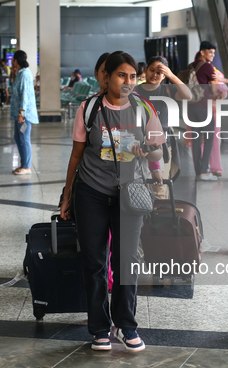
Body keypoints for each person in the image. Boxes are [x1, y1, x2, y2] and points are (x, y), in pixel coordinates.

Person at [59, 51, 165, 352]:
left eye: (133, 76)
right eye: (122, 75)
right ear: (107, 77)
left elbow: (159, 152)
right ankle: (99, 328)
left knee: (127, 261)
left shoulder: (144, 108)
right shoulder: (89, 108)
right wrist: (67, 197)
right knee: (95, 264)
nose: (128, 81)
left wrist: (148, 150)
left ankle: (126, 325)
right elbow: (76, 156)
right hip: (91, 193)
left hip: (129, 195)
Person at [135, 56, 191, 198]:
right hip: (138, 143)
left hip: (162, 145)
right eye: (151, 70)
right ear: (146, 70)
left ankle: (159, 217)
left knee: (159, 187)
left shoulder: (168, 89)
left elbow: (188, 95)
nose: (154, 75)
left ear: (164, 75)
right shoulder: (135, 91)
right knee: (138, 187)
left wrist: (171, 75)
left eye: (159, 73)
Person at [188, 41, 221, 181]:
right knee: (208, 139)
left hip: (190, 107)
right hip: (204, 107)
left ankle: (198, 172)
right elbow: (213, 91)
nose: (212, 55)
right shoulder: (208, 67)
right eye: (210, 52)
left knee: (196, 140)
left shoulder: (191, 66)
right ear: (202, 52)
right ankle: (204, 171)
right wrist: (219, 93)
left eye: (214, 52)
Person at [10, 50, 38, 175]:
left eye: (13, 59)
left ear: (16, 60)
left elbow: (25, 94)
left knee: (24, 138)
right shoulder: (20, 73)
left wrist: (22, 113)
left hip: (24, 114)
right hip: (19, 113)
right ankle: (23, 164)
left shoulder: (25, 74)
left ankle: (27, 166)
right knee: (18, 137)